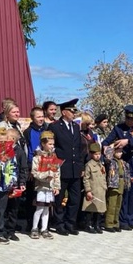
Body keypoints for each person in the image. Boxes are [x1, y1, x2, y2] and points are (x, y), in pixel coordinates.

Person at [102, 105, 133, 231]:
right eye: (127, 118)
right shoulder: (119, 128)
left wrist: (127, 141)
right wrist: (105, 146)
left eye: (132, 119)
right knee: (125, 193)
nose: (129, 121)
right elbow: (107, 140)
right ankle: (123, 220)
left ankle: (132, 219)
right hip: (126, 164)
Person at [49, 98, 84, 235]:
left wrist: (80, 166)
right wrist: (55, 166)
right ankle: (59, 223)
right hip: (62, 168)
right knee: (59, 198)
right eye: (71, 111)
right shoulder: (55, 127)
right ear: (64, 112)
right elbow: (53, 149)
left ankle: (70, 223)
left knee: (75, 199)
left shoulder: (76, 127)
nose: (74, 113)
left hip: (75, 169)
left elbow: (79, 148)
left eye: (75, 110)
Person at [30, 130, 60, 239]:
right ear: (43, 144)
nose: (52, 146)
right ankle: (34, 228)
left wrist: (57, 186)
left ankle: (44, 228)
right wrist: (46, 175)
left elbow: (57, 173)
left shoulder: (54, 158)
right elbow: (34, 172)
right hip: (41, 186)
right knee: (40, 208)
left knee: (47, 209)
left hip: (50, 187)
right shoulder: (37, 158)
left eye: (53, 144)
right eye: (50, 144)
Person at [103, 144, 130, 232]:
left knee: (118, 205)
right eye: (118, 152)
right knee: (112, 205)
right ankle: (109, 224)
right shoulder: (111, 161)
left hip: (121, 184)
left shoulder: (122, 162)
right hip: (113, 184)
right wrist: (114, 145)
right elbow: (107, 153)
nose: (120, 154)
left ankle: (115, 223)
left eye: (121, 152)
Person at [82, 142, 107, 233]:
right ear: (91, 154)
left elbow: (103, 176)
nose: (98, 156)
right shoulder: (89, 165)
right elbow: (86, 178)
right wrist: (88, 190)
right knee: (90, 209)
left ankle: (97, 225)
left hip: (101, 190)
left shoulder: (101, 164)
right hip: (93, 190)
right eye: (95, 154)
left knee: (99, 209)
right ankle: (88, 225)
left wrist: (105, 187)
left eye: (99, 154)